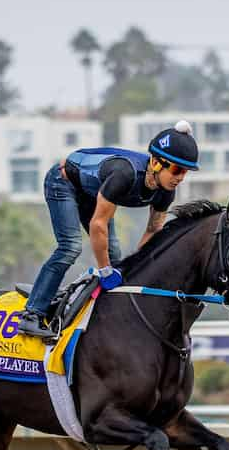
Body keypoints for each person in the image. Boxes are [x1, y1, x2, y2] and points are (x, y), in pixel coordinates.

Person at [17, 120, 199, 338]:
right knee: (71, 247)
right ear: (157, 163)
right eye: (177, 170)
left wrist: (137, 270)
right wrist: (104, 271)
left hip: (93, 192)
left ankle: (100, 310)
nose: (180, 178)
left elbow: (153, 232)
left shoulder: (166, 191)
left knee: (114, 255)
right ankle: (32, 314)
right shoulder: (125, 174)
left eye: (185, 172)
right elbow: (98, 224)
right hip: (64, 182)